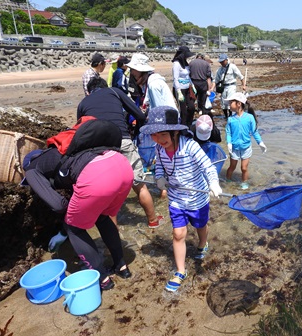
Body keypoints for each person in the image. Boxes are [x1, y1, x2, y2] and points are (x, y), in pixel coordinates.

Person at [24, 119, 134, 290]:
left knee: (73, 227)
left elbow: (58, 205)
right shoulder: (60, 151)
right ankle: (121, 266)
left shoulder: (31, 169)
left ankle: (103, 279)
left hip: (96, 175)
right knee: (103, 217)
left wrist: (64, 226)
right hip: (121, 165)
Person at [139, 106, 222, 292]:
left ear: (175, 131)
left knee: (200, 225)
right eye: (154, 135)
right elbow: (159, 167)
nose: (159, 140)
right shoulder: (159, 149)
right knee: (178, 234)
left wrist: (214, 183)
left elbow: (208, 167)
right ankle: (180, 271)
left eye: (162, 135)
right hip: (176, 198)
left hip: (197, 197)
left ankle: (202, 243)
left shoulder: (190, 146)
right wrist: (159, 178)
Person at [77, 77, 164, 229]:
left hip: (99, 148)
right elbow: (140, 115)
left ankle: (114, 236)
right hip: (122, 140)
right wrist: (135, 134)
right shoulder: (114, 91)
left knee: (111, 194)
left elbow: (80, 130)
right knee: (140, 186)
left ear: (89, 91)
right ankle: (153, 221)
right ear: (105, 86)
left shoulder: (83, 103)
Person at [225, 92, 267, 190]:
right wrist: (229, 143)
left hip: (246, 148)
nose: (229, 105)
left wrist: (260, 143)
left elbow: (254, 132)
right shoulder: (231, 119)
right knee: (232, 167)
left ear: (239, 104)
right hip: (234, 148)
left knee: (244, 168)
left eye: (231, 102)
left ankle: (244, 183)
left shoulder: (249, 118)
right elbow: (228, 133)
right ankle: (227, 181)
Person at [215, 53, 246, 119]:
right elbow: (216, 81)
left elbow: (241, 76)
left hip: (231, 86)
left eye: (223, 61)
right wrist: (214, 89)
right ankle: (226, 116)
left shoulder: (232, 67)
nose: (221, 63)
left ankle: (230, 116)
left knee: (230, 101)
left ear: (226, 60)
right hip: (223, 87)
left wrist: (244, 85)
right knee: (223, 103)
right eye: (220, 62)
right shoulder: (219, 70)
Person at [172, 46, 196, 127]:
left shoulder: (185, 63)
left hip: (187, 88)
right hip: (180, 89)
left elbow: (188, 76)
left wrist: (192, 85)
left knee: (192, 107)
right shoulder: (176, 64)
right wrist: (178, 91)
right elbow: (175, 78)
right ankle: (183, 127)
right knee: (183, 111)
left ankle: (189, 124)